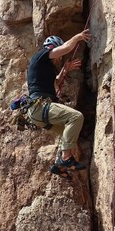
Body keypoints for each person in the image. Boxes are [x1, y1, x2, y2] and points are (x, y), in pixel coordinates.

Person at [26, 29, 92, 178]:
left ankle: (59, 166)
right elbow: (67, 48)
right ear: (52, 46)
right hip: (40, 106)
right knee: (75, 117)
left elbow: (54, 85)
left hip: (36, 113)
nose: (57, 58)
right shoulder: (41, 55)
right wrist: (77, 37)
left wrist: (64, 70)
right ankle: (66, 158)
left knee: (67, 133)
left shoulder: (43, 68)